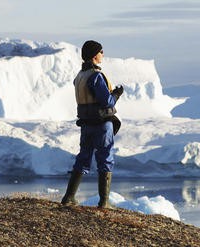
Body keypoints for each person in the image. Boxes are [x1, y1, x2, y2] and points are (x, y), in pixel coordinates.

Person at [61, 40, 124, 208]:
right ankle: (104, 201)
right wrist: (116, 94)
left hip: (86, 124)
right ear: (95, 54)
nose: (103, 54)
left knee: (83, 157)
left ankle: (69, 197)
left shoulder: (79, 77)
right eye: (101, 51)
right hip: (102, 123)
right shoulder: (95, 75)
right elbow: (107, 102)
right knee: (105, 158)